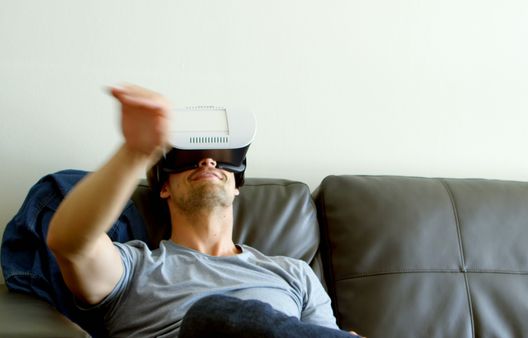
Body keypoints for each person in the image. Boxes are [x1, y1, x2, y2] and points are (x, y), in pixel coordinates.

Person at [46, 84, 359, 337]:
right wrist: (135, 152)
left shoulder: (295, 274)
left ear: (237, 185)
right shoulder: (135, 267)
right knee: (215, 315)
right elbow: (70, 244)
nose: (208, 161)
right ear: (164, 187)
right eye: (190, 159)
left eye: (220, 158)